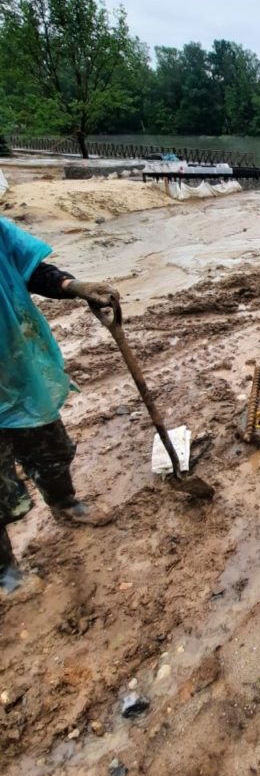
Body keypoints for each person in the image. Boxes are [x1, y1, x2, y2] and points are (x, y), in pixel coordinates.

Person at [1, 217, 120, 596]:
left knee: (48, 445)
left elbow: (32, 270)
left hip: (16, 367)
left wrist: (74, 286)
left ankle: (66, 504)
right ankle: (5, 572)